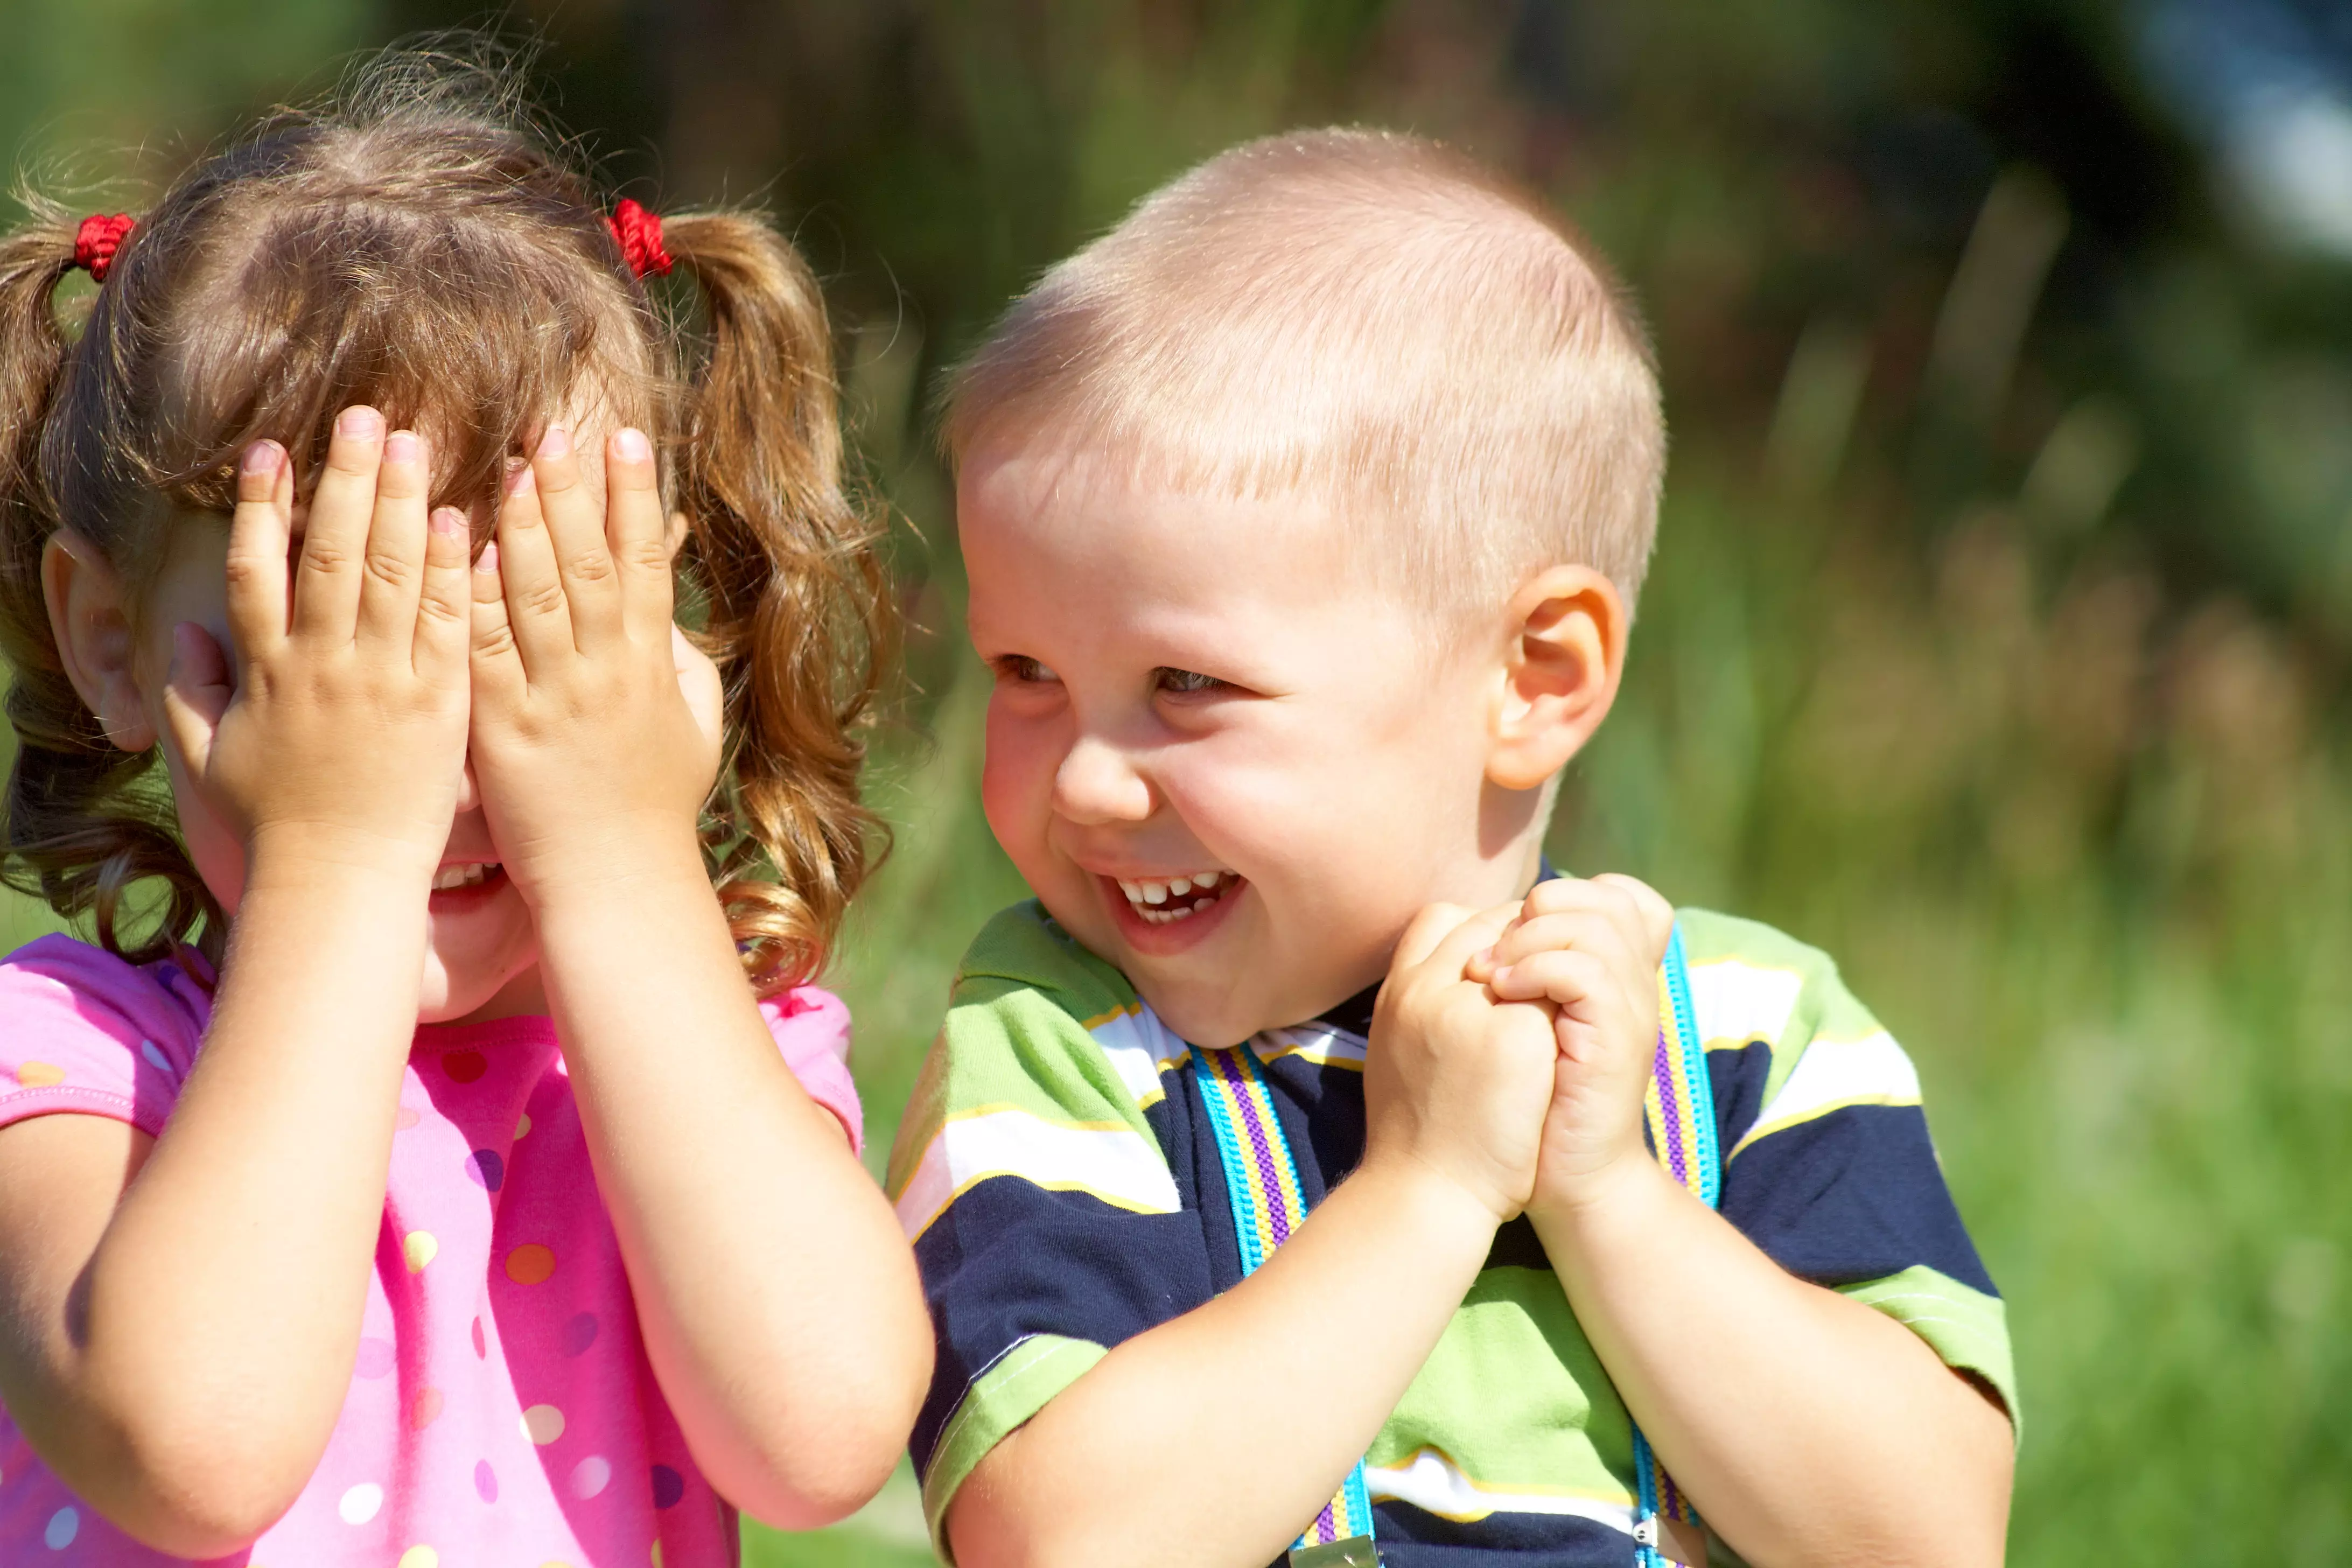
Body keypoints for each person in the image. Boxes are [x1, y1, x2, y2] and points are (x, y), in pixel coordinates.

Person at [890, 128, 2017, 1568]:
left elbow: (1928, 1536)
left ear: (1536, 679)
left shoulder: (1740, 1036)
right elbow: (1056, 1543)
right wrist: (1423, 1191)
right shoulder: (1061, 1042)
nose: (1090, 784)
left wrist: (1606, 1191)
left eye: (1186, 687)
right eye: (1025, 672)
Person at [0, 53, 930, 1565]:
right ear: (112, 642)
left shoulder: (697, 1055)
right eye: (340, 658)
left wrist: (626, 863)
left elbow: (823, 1438)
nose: (420, 767)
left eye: (524, 653)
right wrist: (335, 863)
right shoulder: (70, 1064)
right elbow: (194, 1450)